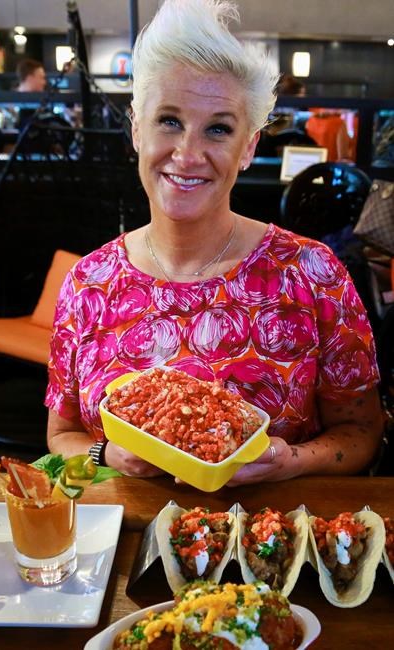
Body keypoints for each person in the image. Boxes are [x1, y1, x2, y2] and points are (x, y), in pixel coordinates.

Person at [46, 0, 383, 485]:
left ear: (248, 147)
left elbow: (362, 431)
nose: (188, 154)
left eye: (219, 129)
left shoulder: (313, 272)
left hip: (271, 526)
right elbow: (62, 435)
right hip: (125, 531)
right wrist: (107, 454)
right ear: (137, 129)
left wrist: (291, 461)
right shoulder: (88, 284)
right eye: (169, 121)